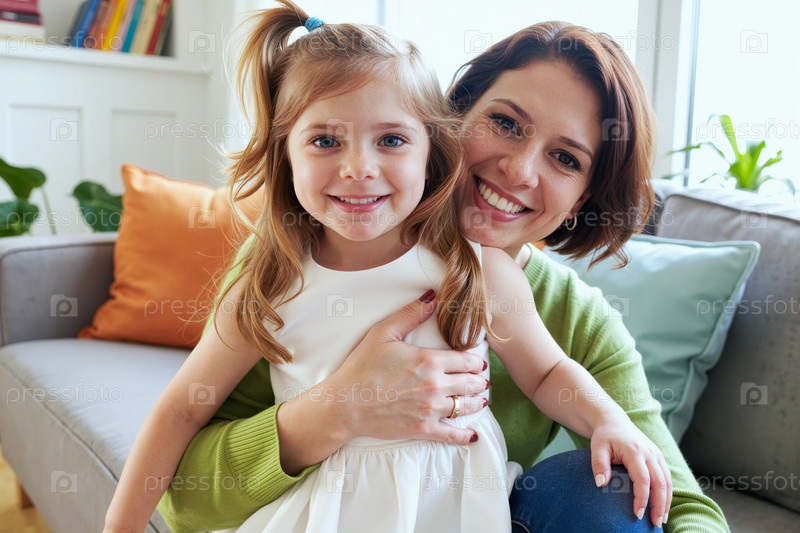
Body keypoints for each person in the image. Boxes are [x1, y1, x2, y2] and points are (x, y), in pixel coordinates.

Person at [104, 3, 672, 532]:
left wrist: (609, 420)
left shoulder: (475, 270)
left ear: (431, 151)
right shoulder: (272, 280)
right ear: (285, 154)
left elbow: (547, 374)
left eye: (392, 139)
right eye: (325, 140)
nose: (359, 167)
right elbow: (181, 414)